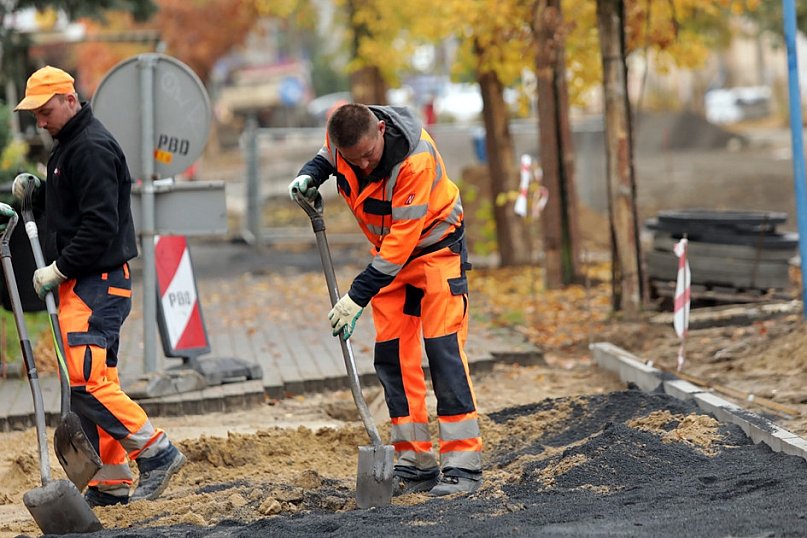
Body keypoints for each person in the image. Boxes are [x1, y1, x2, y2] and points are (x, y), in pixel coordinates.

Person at [12, 66, 186, 507]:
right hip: (88, 283)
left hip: (96, 282)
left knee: (85, 383)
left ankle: (157, 451)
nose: (41, 121)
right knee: (98, 378)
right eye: (36, 114)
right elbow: (77, 208)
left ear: (70, 99)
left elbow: (100, 224)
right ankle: (109, 480)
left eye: (46, 111)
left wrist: (58, 268)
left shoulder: (88, 147)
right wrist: (41, 196)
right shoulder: (70, 146)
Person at [289, 103, 482, 496]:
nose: (361, 165)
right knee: (392, 357)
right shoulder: (343, 134)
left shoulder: (416, 161)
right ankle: (414, 461)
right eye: (352, 158)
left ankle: (463, 465)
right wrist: (309, 175)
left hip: (433, 252)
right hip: (388, 257)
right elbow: (329, 156)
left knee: (443, 352)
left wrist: (355, 298)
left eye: (368, 155)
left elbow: (401, 245)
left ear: (381, 129)